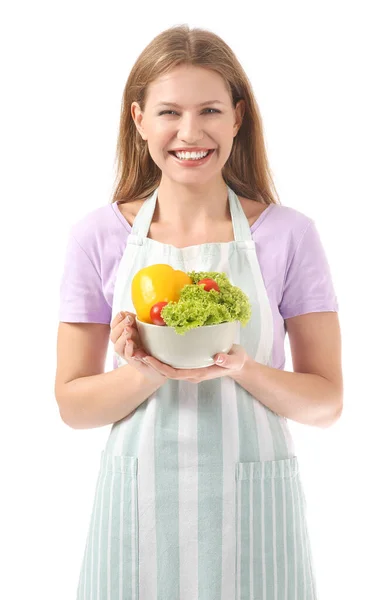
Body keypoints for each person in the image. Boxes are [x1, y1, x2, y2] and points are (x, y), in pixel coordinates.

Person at [55, 24, 343, 600]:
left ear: (238, 116)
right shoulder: (98, 236)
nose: (191, 133)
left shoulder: (289, 235)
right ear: (138, 120)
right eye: (169, 112)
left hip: (253, 515)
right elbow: (71, 405)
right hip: (136, 514)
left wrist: (242, 369)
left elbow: (327, 402)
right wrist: (144, 368)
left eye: (210, 109)